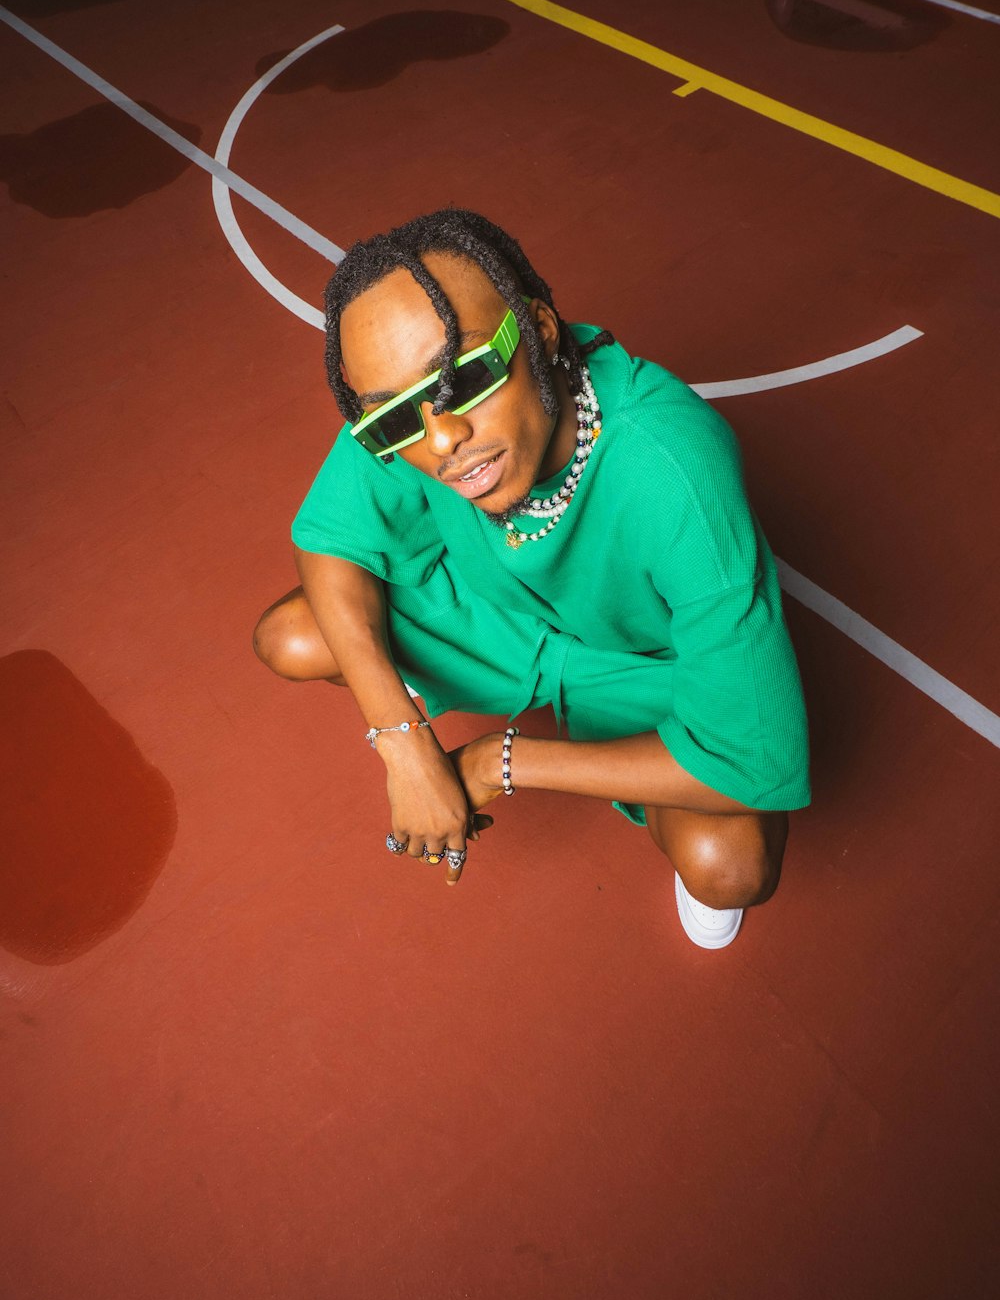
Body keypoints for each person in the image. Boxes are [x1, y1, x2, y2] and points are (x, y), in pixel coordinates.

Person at [254, 208, 810, 949]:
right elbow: (329, 544)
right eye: (394, 420)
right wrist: (401, 738)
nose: (444, 436)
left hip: (639, 665)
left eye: (469, 377)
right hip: (500, 616)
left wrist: (499, 760)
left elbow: (754, 759)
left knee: (728, 867)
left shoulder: (672, 467)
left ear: (541, 331)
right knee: (294, 637)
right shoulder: (410, 405)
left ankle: (593, 734)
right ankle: (461, 687)